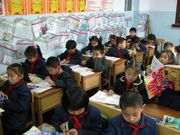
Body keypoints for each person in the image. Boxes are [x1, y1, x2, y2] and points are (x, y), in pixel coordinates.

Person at [0, 63, 32, 135]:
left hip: (17, 119)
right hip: (7, 113)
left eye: (11, 76)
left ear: (21, 76)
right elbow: (1, 88)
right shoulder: (9, 83)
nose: (9, 78)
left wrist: (6, 101)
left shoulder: (24, 91)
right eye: (8, 75)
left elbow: (21, 108)